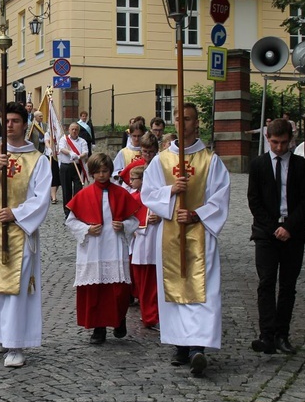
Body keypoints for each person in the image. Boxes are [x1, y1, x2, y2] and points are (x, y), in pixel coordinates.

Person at [141, 103, 230, 377]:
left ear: (196, 123)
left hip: (200, 233)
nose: (183, 123)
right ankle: (180, 344)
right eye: (178, 118)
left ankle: (197, 346)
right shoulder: (162, 160)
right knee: (174, 286)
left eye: (188, 119)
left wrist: (196, 214)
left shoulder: (210, 160)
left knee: (203, 290)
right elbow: (148, 193)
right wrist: (171, 190)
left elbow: (220, 197)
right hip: (170, 232)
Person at [0, 101, 51, 367]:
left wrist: (16, 213)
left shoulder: (38, 160)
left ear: (25, 124)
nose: (12, 125)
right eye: (8, 121)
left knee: (17, 287)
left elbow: (42, 199)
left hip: (20, 232)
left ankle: (16, 344)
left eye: (16, 121)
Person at [248, 119, 305, 355]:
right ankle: (266, 335)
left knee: (288, 286)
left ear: (290, 140)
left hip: (293, 232)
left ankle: (281, 334)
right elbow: (254, 201)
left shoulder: (301, 166)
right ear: (268, 139)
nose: (278, 147)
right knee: (266, 283)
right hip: (266, 233)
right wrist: (273, 227)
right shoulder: (258, 165)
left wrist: (289, 227)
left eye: (283, 143)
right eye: (274, 142)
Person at [66, 153, 140, 344]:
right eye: (97, 172)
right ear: (91, 173)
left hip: (115, 246)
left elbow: (134, 220)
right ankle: (98, 329)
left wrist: (124, 225)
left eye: (105, 171)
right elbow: (71, 222)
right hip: (94, 248)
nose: (101, 175)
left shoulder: (121, 193)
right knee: (96, 290)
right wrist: (87, 229)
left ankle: (119, 321)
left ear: (110, 171)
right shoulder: (83, 195)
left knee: (118, 290)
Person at [127, 164, 161, 330]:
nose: (130, 182)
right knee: (144, 283)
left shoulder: (156, 197)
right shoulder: (133, 198)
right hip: (140, 244)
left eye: (134, 179)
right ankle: (149, 315)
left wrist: (160, 216)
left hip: (155, 242)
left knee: (153, 282)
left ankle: (152, 315)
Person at [58, 123, 89, 217]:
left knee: (78, 190)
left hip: (77, 167)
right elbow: (62, 148)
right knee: (66, 191)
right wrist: (70, 153)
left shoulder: (82, 141)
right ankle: (67, 213)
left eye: (76, 129)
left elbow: (86, 152)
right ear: (69, 130)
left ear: (78, 131)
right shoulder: (64, 139)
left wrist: (79, 156)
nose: (74, 131)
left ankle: (76, 211)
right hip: (66, 167)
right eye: (72, 129)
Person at [44, 129, 61, 205]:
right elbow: (47, 142)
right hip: (51, 156)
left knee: (58, 177)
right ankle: (54, 197)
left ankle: (52, 194)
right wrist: (50, 148)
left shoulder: (59, 133)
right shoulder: (47, 133)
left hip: (59, 156)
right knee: (53, 176)